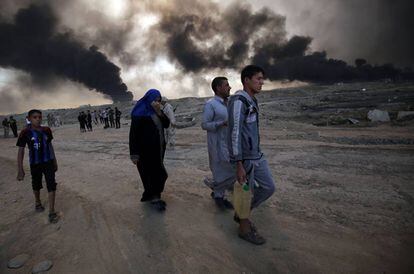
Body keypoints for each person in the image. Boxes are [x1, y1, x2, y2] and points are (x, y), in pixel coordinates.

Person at [227, 65, 275, 245]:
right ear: (246, 80)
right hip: (245, 159)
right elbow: (235, 132)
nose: (262, 82)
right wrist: (238, 163)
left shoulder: (251, 100)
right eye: (258, 79)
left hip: (257, 156)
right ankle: (244, 229)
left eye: (262, 79)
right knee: (245, 192)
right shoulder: (239, 101)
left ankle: (241, 213)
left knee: (268, 187)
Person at [129, 89, 170, 211]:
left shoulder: (158, 111)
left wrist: (159, 112)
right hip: (144, 150)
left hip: (159, 148)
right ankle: (155, 198)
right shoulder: (138, 113)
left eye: (159, 100)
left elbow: (167, 124)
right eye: (155, 100)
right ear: (149, 99)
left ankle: (148, 194)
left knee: (156, 171)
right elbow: (133, 134)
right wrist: (134, 154)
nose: (157, 102)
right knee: (154, 173)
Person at [16, 109, 59, 223]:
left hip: (48, 162)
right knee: (36, 185)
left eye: (39, 117)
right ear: (29, 118)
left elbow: (50, 146)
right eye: (35, 117)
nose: (38, 119)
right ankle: (37, 201)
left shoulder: (46, 130)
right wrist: (20, 169)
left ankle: (51, 212)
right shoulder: (25, 132)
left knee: (51, 184)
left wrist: (54, 161)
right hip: (35, 164)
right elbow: (21, 151)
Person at [201, 77, 235, 210]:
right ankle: (219, 196)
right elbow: (204, 125)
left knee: (233, 169)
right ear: (218, 88)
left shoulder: (229, 103)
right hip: (216, 144)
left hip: (230, 143)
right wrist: (220, 123)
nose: (229, 87)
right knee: (219, 169)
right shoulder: (211, 104)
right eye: (226, 85)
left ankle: (216, 189)